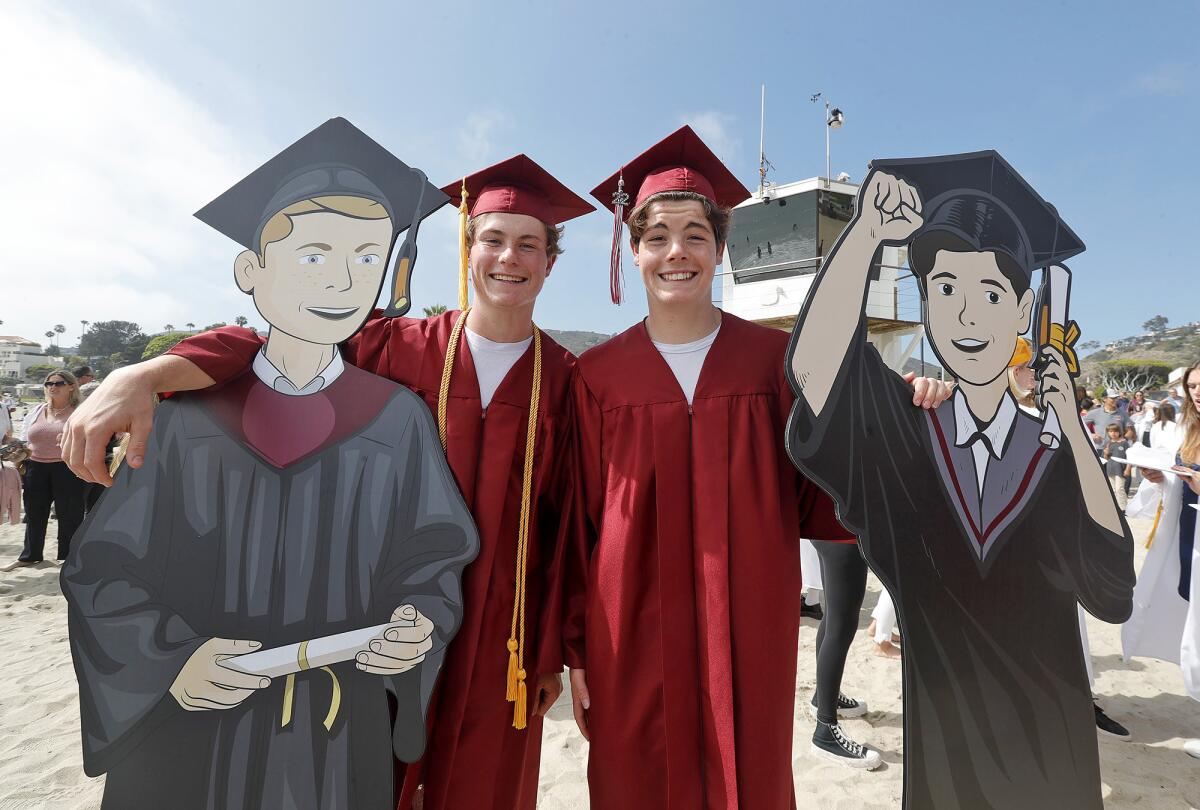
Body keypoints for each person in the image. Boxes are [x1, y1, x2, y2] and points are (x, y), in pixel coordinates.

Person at [64, 152, 591, 810]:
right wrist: (141, 375)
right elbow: (261, 348)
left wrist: (550, 650)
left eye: (529, 244)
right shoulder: (387, 345)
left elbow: (569, 525)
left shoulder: (570, 379)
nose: (509, 258)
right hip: (372, 621)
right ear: (465, 249)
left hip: (502, 636)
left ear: (550, 261)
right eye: (493, 239)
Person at [563, 127, 950, 807]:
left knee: (748, 774)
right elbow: (577, 528)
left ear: (721, 248)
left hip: (745, 623)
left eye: (695, 235)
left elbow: (826, 487)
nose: (675, 252)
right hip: (627, 632)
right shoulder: (595, 377)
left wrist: (914, 411)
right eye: (656, 236)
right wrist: (576, 652)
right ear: (634, 250)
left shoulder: (772, 366)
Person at [786, 151, 1135, 808]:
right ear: (923, 303)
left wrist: (1075, 436)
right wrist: (863, 234)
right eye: (945, 290)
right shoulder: (909, 443)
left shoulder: (1055, 453)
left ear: (1025, 308)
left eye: (991, 294)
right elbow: (819, 371)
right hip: (945, 757)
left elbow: (1113, 591)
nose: (967, 316)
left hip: (1052, 756)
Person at [1123, 361, 1200, 757]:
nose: (1197, 391)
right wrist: (1163, 478)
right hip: (1190, 541)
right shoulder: (1192, 430)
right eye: (1192, 385)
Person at [1, 370, 87, 570]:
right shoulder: (37, 410)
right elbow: (25, 437)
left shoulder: (81, 410)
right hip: (35, 466)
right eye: (49, 384)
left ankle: (68, 556)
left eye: (59, 383)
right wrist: (17, 451)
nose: (53, 387)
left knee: (70, 513)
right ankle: (30, 555)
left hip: (68, 467)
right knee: (34, 513)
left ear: (71, 386)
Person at [1102, 423, 1132, 511]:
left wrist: (1128, 469)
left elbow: (1130, 458)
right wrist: (1106, 453)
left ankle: (1123, 508)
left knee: (1120, 489)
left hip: (1120, 470)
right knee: (1113, 490)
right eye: (1110, 431)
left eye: (1115, 431)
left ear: (1119, 432)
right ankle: (1116, 508)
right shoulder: (1108, 443)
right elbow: (1106, 458)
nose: (1113, 433)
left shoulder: (1124, 443)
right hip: (1110, 469)